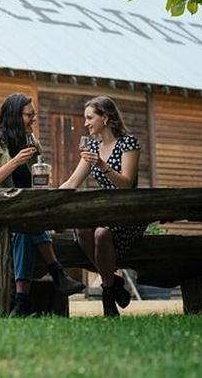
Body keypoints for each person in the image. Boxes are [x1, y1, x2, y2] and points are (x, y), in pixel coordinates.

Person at [0, 92, 85, 317]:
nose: (33, 119)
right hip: (1, 211)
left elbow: (38, 185)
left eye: (34, 114)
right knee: (27, 227)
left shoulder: (32, 145)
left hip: (27, 216)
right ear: (14, 116)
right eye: (29, 115)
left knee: (26, 231)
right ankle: (57, 273)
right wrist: (15, 162)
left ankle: (22, 302)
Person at [59, 95, 146, 317]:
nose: (86, 123)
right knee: (82, 229)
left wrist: (102, 165)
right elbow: (71, 183)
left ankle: (108, 294)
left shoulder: (128, 143)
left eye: (90, 118)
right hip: (105, 211)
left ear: (105, 118)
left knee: (101, 234)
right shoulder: (93, 147)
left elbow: (126, 184)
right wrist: (47, 198)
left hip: (128, 213)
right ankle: (113, 281)